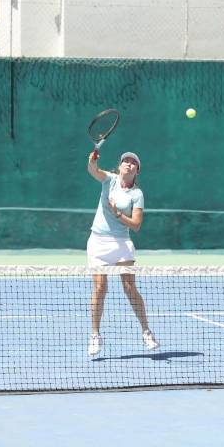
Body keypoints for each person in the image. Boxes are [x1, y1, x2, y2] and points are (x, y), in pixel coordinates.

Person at [86, 148, 159, 356]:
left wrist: (117, 213)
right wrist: (91, 161)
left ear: (137, 170)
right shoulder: (109, 180)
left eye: (133, 162)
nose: (129, 163)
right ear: (119, 166)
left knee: (129, 287)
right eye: (125, 161)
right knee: (100, 288)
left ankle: (146, 331)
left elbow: (136, 225)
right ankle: (95, 335)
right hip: (98, 242)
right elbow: (93, 170)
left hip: (121, 243)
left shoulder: (137, 194)